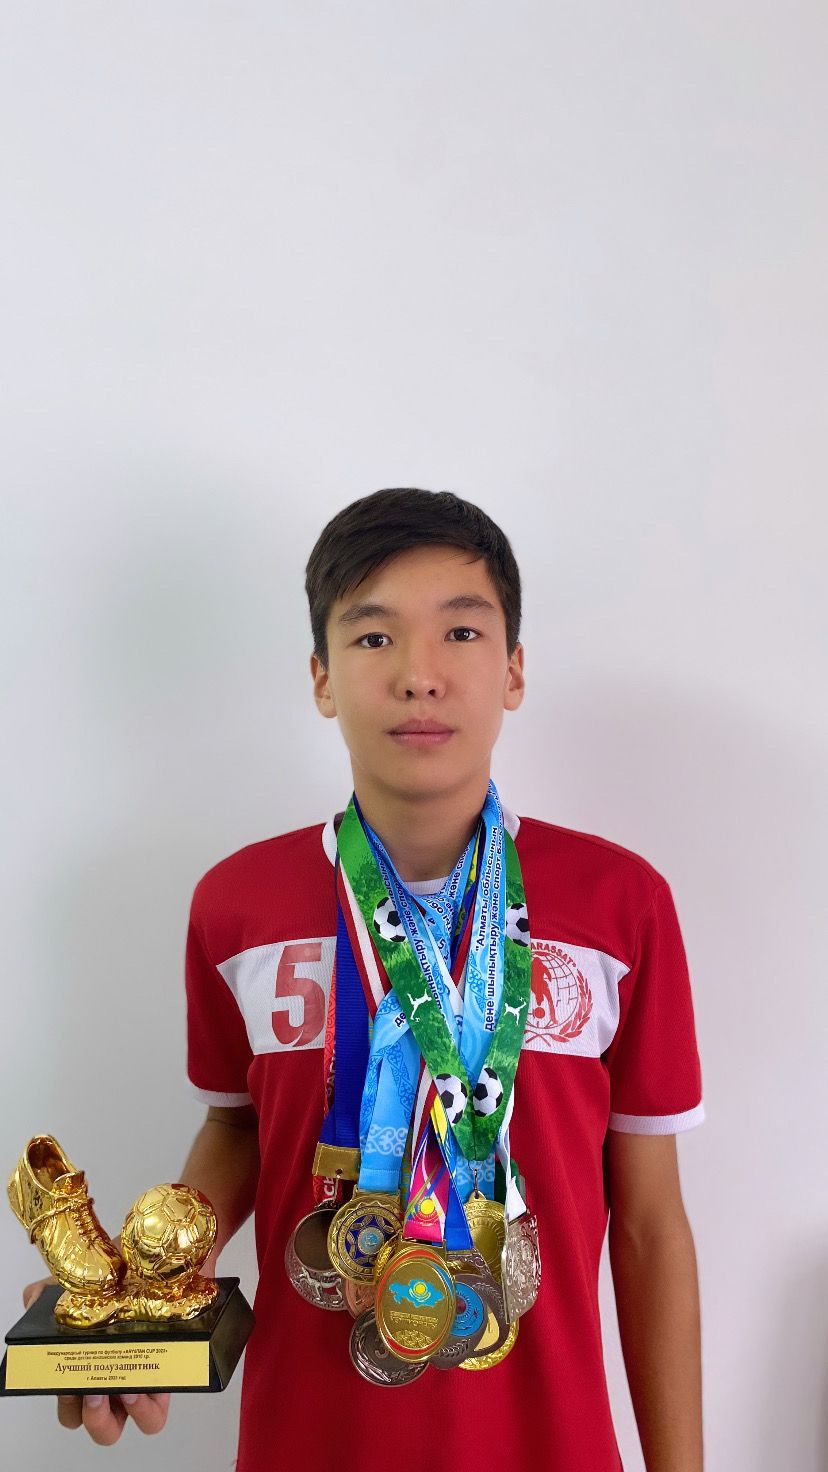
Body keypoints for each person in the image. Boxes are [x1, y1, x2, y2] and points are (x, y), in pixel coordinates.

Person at [24, 488, 705, 1471]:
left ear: (514, 669)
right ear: (322, 677)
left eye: (461, 631)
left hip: (549, 1443)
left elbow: (649, 1226)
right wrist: (141, 1289)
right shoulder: (238, 904)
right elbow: (238, 1127)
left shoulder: (620, 905)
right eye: (374, 636)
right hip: (309, 1440)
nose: (419, 675)